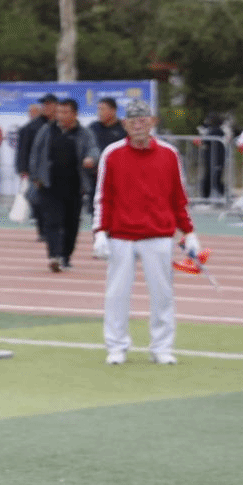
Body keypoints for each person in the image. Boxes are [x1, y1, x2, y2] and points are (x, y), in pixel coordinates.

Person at [93, 99, 199, 365]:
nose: (138, 125)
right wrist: (100, 231)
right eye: (132, 121)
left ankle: (161, 347)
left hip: (158, 234)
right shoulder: (112, 154)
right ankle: (116, 346)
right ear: (124, 124)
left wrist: (189, 232)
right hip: (121, 235)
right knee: (116, 294)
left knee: (163, 295)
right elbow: (103, 196)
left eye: (143, 120)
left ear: (152, 122)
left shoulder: (169, 154)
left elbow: (179, 197)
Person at [28, 97, 99, 272]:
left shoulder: (84, 133)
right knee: (52, 221)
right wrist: (35, 176)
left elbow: (93, 149)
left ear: (75, 114)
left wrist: (91, 158)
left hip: (74, 186)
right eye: (59, 112)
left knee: (71, 224)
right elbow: (36, 153)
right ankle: (54, 256)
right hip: (50, 185)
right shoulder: (47, 130)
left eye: (65, 112)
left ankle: (65, 256)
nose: (61, 115)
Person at [16, 96, 54, 240]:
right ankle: (42, 229)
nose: (46, 108)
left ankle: (51, 229)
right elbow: (24, 149)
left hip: (56, 170)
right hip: (37, 171)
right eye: (44, 105)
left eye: (49, 105)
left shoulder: (59, 124)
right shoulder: (31, 127)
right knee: (36, 199)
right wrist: (23, 169)